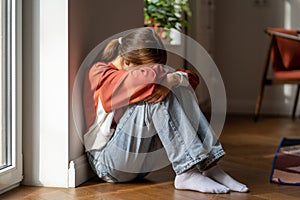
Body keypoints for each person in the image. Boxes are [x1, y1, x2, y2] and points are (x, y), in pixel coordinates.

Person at [83, 27, 248, 194]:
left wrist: (173, 80)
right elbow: (142, 78)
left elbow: (192, 78)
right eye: (145, 69)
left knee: (175, 87)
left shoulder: (136, 71)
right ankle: (186, 172)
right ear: (126, 62)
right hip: (107, 164)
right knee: (158, 94)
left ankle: (210, 166)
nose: (150, 72)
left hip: (139, 164)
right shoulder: (99, 73)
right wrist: (169, 77)